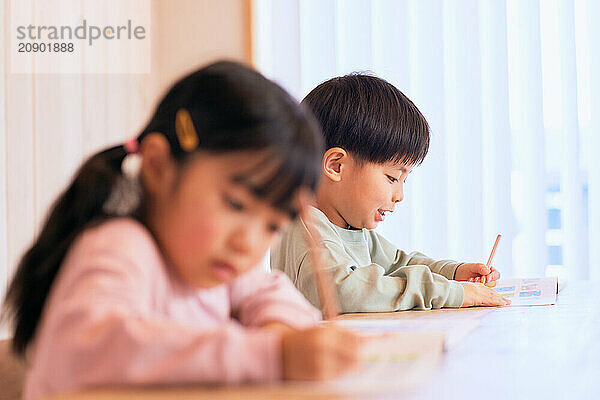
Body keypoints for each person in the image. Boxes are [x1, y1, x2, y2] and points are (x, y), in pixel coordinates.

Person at [2, 61, 363, 400]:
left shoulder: (213, 261)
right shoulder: (120, 246)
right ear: (158, 167)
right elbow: (98, 347)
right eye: (236, 205)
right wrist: (270, 355)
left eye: (271, 225)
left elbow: (266, 291)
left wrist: (280, 330)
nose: (248, 242)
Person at [271, 73, 510, 313]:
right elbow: (345, 292)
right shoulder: (307, 226)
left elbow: (397, 263)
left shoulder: (350, 227)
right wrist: (450, 292)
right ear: (336, 166)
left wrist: (454, 273)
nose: (399, 195)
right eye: (392, 178)